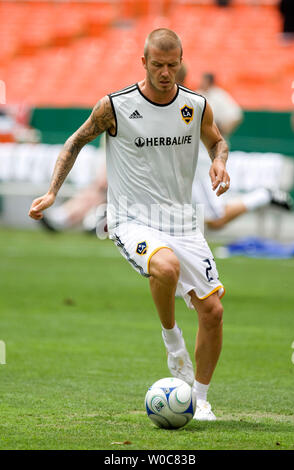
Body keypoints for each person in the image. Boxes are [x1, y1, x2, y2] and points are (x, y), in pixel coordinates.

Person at [29, 28, 231, 421]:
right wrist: (53, 192)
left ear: (181, 62)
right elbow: (75, 142)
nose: (166, 73)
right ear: (144, 62)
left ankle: (201, 399)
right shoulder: (116, 106)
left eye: (173, 65)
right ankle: (172, 341)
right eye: (158, 65)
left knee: (214, 312)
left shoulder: (195, 105)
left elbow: (216, 141)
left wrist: (220, 161)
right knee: (166, 266)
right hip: (131, 218)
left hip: (181, 221)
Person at [192, 73, 294, 230]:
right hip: (191, 161)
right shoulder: (194, 96)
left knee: (215, 219)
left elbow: (235, 115)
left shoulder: (216, 96)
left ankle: (263, 195)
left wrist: (221, 132)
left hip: (203, 159)